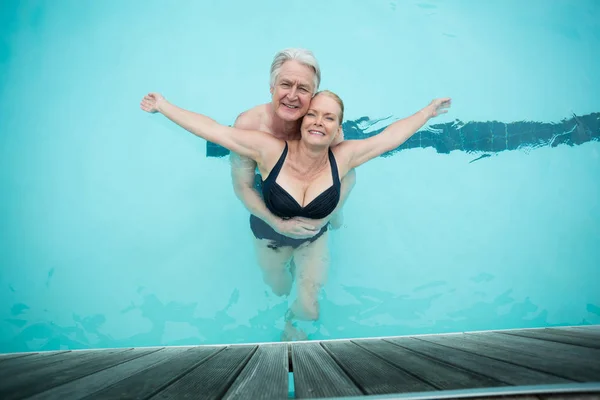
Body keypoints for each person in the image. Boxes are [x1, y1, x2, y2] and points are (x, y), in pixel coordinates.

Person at [140, 88, 451, 340]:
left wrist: (427, 111)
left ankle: (291, 329)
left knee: (309, 309)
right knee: (279, 288)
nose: (318, 122)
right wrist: (164, 105)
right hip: (269, 237)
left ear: (338, 129)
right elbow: (214, 131)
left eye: (328, 118)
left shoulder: (344, 158)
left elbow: (389, 138)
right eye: (312, 114)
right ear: (302, 122)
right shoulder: (270, 150)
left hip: (313, 239)